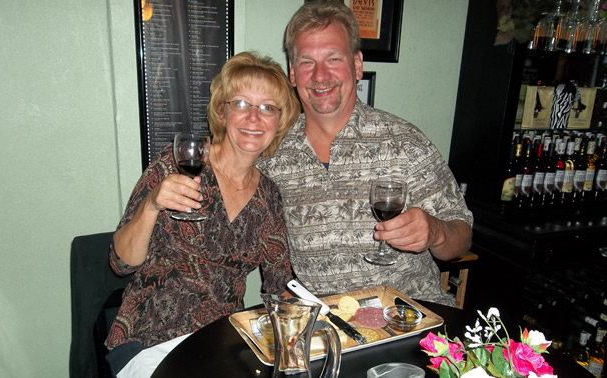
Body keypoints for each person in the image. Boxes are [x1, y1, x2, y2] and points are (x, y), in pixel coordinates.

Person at [180, 2, 473, 306]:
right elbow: (224, 173)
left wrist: (435, 233)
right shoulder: (270, 151)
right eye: (307, 62)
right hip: (326, 329)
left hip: (409, 316)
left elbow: (461, 237)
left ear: (357, 64)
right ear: (293, 74)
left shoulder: (405, 143)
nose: (320, 76)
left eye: (333, 58)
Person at [104, 51, 300, 377]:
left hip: (222, 343)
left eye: (267, 107)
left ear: (279, 121)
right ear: (222, 112)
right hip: (148, 339)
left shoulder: (269, 197)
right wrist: (152, 204)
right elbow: (120, 263)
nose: (254, 117)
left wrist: (314, 319)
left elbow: (279, 286)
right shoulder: (177, 163)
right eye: (240, 103)